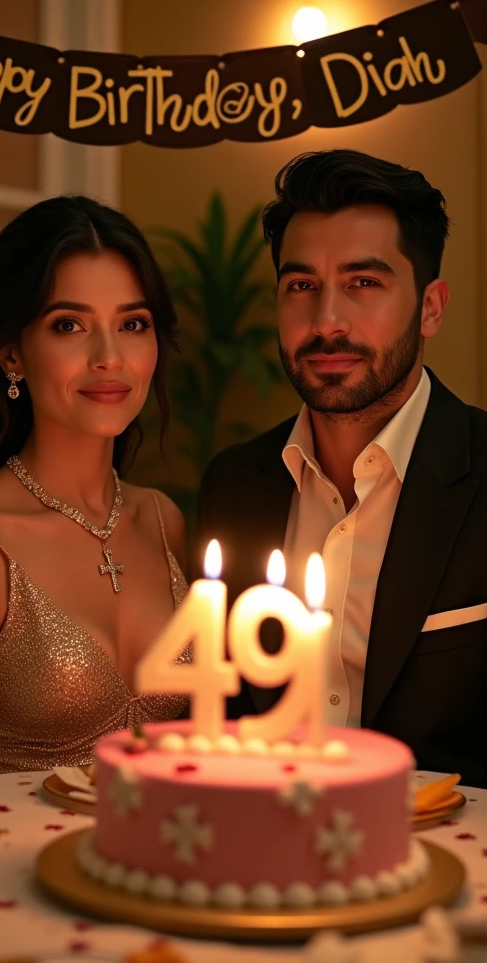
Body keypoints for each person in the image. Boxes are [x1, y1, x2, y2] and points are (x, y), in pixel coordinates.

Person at [196, 149, 487, 787]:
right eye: (301, 286)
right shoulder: (234, 486)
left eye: (364, 283)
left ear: (431, 307)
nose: (326, 322)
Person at [0, 195, 189, 780]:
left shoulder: (164, 522)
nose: (110, 357)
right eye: (69, 325)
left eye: (133, 324)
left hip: (167, 865)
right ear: (13, 356)